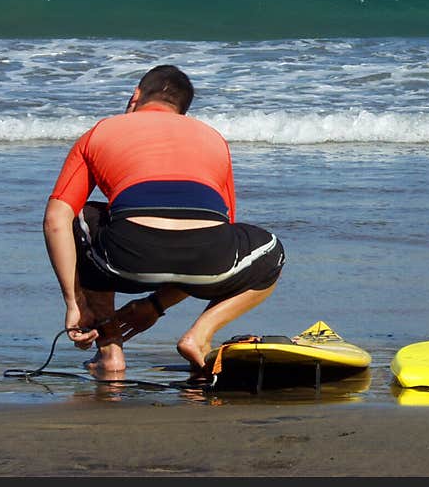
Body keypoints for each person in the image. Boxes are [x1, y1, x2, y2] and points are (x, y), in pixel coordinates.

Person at [43, 65, 285, 378]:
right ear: (182, 111)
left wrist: (74, 303)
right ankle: (198, 336)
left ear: (135, 97)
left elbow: (55, 221)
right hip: (210, 261)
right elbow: (212, 231)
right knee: (270, 251)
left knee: (80, 215)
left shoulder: (101, 131)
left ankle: (110, 351)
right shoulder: (214, 139)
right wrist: (156, 306)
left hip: (127, 259)